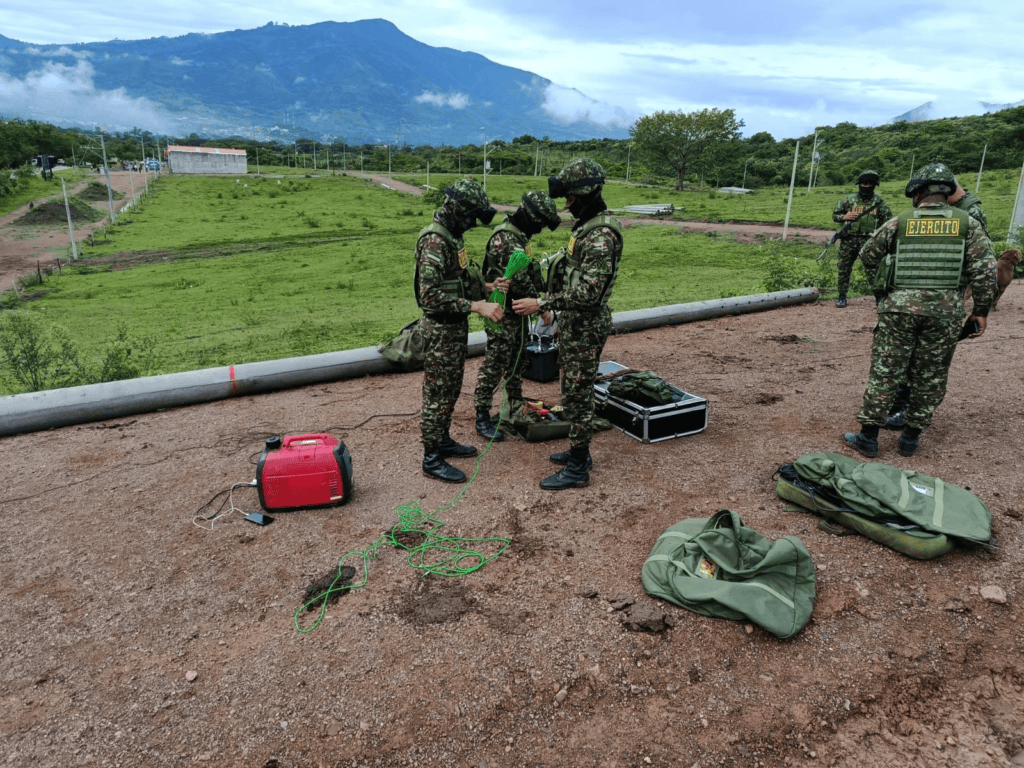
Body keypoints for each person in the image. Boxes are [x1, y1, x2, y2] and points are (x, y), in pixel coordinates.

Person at [843, 162, 996, 459]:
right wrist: (981, 310)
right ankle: (910, 439)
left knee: (886, 372)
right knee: (931, 373)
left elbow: (868, 254)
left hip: (899, 310)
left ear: (918, 194)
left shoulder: (901, 221)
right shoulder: (968, 224)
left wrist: (885, 290)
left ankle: (869, 439)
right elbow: (986, 271)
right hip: (945, 313)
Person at [512, 159, 623, 490]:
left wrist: (543, 304)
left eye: (570, 199)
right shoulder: (587, 227)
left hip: (586, 323)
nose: (567, 206)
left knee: (579, 392)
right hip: (576, 321)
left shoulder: (601, 235)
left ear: (584, 194)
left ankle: (578, 468)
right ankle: (580, 450)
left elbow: (590, 292)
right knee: (571, 389)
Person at [885, 172, 990, 429]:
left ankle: (908, 414)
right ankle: (908, 422)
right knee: (921, 361)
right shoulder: (961, 216)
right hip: (944, 304)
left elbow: (980, 266)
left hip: (932, 301)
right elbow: (984, 268)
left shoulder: (969, 216)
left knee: (925, 363)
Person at [416, 179, 504, 483]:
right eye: (469, 216)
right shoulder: (435, 241)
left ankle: (442, 440)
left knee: (451, 388)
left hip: (454, 328)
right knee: (437, 393)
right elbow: (428, 296)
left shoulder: (453, 238)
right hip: (440, 330)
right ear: (456, 210)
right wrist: (476, 306)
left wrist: (488, 287)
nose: (471, 224)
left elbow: (458, 280)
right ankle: (432, 458)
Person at [474, 190, 561, 441]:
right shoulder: (505, 239)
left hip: (517, 310)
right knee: (496, 363)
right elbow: (519, 281)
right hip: (502, 312)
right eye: (540, 223)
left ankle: (513, 404)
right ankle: (482, 414)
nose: (541, 229)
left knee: (517, 360)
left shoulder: (520, 237)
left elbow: (530, 270)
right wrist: (543, 306)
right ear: (530, 217)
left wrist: (541, 293)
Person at [831, 170, 892, 307]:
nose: (866, 186)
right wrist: (844, 217)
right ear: (859, 184)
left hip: (869, 241)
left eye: (870, 184)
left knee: (873, 270)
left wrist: (881, 239)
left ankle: (878, 297)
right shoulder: (849, 200)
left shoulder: (879, 202)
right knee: (844, 268)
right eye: (864, 183)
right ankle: (842, 296)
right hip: (849, 240)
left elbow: (887, 222)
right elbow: (835, 214)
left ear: (874, 185)